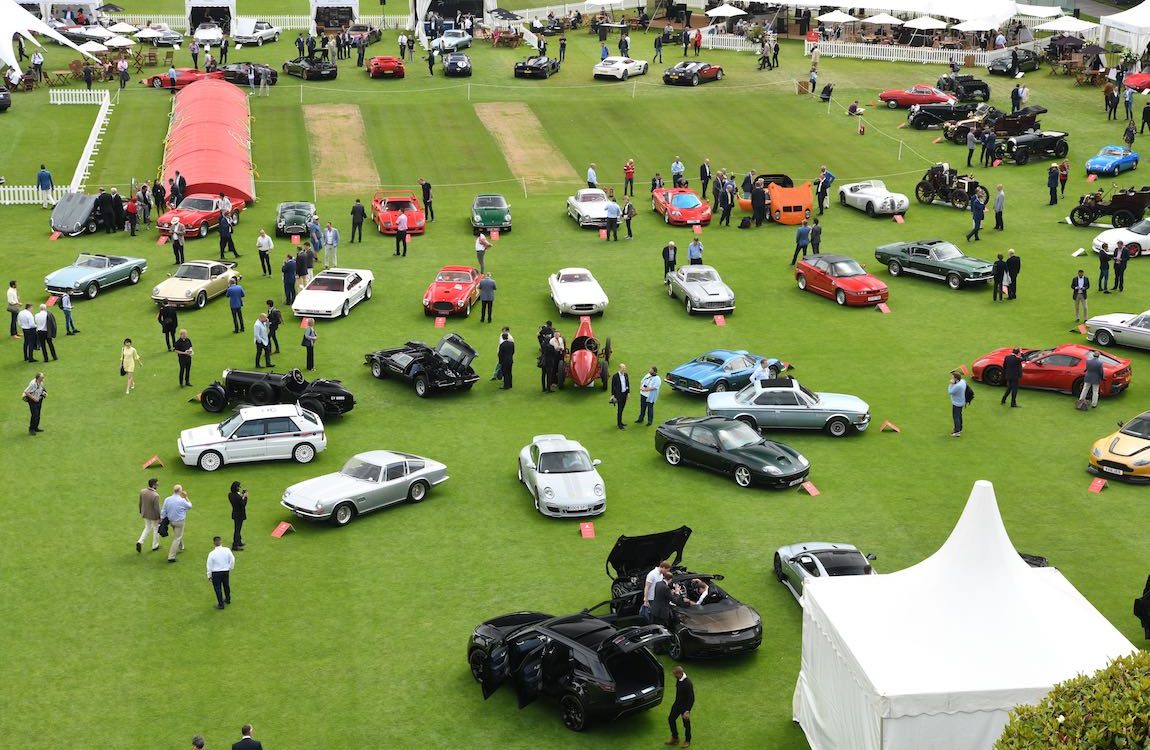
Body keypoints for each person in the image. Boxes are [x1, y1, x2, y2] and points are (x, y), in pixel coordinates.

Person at [161, 485, 192, 563]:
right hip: (179, 522)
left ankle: (181, 547)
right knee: (177, 538)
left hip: (171, 521)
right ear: (180, 491)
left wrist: (162, 519)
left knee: (178, 534)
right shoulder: (182, 500)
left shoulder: (167, 499)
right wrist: (186, 497)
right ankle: (171, 556)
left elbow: (163, 511)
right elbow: (190, 506)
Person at [666, 666, 695, 748]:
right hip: (677, 704)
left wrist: (687, 711)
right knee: (671, 719)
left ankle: (687, 740)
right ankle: (675, 738)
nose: (673, 675)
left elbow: (692, 698)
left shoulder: (687, 683)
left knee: (686, 724)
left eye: (674, 674)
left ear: (679, 674)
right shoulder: (678, 679)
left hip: (684, 708)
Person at [206, 536, 235, 610]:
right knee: (226, 586)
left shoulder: (212, 553)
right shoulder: (227, 550)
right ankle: (228, 599)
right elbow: (232, 559)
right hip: (225, 571)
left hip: (216, 573)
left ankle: (221, 604)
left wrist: (209, 575)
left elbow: (209, 565)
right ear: (221, 541)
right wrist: (230, 567)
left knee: (217, 588)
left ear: (214, 543)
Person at [137, 478, 162, 553]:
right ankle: (155, 545)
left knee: (147, 527)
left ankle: (140, 541)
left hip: (145, 513)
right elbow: (157, 508)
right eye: (157, 484)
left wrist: (141, 511)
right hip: (153, 516)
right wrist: (160, 517)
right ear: (154, 485)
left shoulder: (143, 491)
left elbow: (140, 502)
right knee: (155, 529)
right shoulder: (156, 495)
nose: (158, 485)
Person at [228, 481, 247, 551]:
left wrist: (242, 496)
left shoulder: (230, 494)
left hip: (235, 513)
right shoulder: (237, 496)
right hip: (239, 514)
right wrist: (245, 497)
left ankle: (238, 542)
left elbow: (238, 501)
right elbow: (243, 504)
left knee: (237, 529)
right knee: (237, 530)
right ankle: (235, 545)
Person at [610, 363, 629, 429]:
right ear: (620, 368)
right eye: (623, 368)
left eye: (624, 368)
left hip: (624, 394)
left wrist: (628, 393)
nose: (624, 369)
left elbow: (627, 384)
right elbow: (613, 386)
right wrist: (613, 395)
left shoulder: (626, 375)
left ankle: (620, 422)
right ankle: (619, 424)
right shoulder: (615, 376)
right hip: (619, 395)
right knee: (620, 409)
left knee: (622, 409)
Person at [948, 370, 967, 437]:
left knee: (956, 417)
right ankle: (960, 428)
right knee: (959, 415)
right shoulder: (963, 381)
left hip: (957, 403)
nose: (951, 379)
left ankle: (957, 431)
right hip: (961, 401)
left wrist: (951, 384)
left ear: (956, 378)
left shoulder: (957, 386)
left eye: (952, 377)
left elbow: (950, 392)